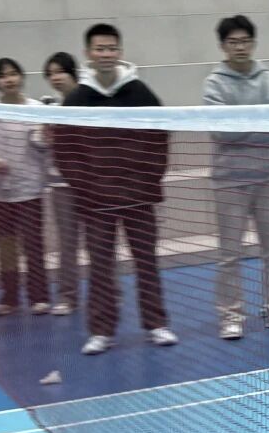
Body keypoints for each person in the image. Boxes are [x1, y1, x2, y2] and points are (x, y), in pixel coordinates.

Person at [52, 24, 177, 355]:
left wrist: (148, 181)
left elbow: (159, 138)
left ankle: (156, 324)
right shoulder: (77, 100)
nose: (106, 54)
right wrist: (86, 187)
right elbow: (64, 151)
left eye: (111, 48)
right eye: (99, 48)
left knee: (146, 262)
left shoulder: (141, 93)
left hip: (139, 197)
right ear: (88, 54)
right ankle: (101, 330)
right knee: (100, 267)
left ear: (120, 52)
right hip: (96, 201)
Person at [203, 15, 269, 338]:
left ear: (253, 43)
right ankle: (231, 316)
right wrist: (260, 124)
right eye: (233, 42)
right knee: (229, 253)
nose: (240, 47)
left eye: (245, 41)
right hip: (231, 181)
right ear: (223, 46)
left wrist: (244, 126)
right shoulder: (214, 84)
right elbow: (221, 132)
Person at [0, 58, 50, 317]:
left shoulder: (37, 109)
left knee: (33, 245)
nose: (9, 80)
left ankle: (39, 296)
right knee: (6, 248)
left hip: (30, 190)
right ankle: (10, 297)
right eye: (2, 76)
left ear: (21, 77)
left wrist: (45, 136)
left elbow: (45, 147)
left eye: (13, 74)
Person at [43, 51, 84, 314]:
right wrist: (44, 132)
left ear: (72, 73)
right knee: (67, 244)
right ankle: (68, 296)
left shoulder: (89, 102)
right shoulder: (50, 107)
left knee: (101, 243)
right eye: (51, 74)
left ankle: (111, 293)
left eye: (60, 71)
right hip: (61, 186)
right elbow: (41, 144)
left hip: (92, 184)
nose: (55, 77)